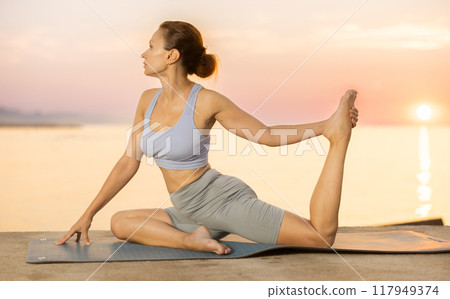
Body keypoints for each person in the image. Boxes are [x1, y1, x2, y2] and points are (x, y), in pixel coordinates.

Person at [56, 20, 359, 255]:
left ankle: (337, 136)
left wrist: (324, 126)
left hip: (220, 202)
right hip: (186, 210)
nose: (143, 53)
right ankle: (193, 238)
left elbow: (264, 136)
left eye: (151, 46)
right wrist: (88, 214)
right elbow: (127, 161)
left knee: (319, 237)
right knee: (120, 222)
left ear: (171, 55)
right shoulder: (146, 99)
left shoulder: (208, 101)